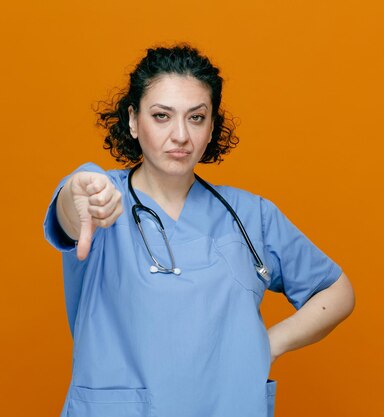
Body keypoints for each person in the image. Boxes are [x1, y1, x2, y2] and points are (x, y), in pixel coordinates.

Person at [43, 44, 355, 417]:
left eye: (196, 118)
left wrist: (270, 343)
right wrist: (78, 193)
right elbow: (71, 212)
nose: (180, 135)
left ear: (211, 128)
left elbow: (337, 291)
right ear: (132, 120)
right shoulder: (100, 196)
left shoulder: (249, 214)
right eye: (161, 116)